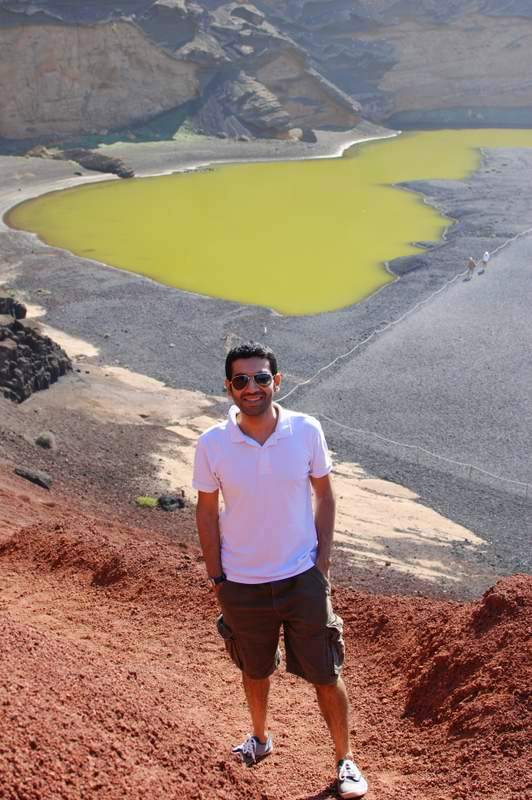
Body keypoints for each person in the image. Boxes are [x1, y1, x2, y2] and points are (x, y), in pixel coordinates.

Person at [193, 342, 367, 799]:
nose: (252, 387)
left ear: (278, 381)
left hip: (301, 578)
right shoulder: (212, 444)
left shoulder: (306, 430)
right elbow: (206, 513)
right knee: (254, 668)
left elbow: (325, 496)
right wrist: (217, 576)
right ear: (229, 387)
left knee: (326, 673)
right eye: (242, 380)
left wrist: (321, 563)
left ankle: (345, 761)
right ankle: (260, 738)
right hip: (241, 583)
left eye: (262, 378)